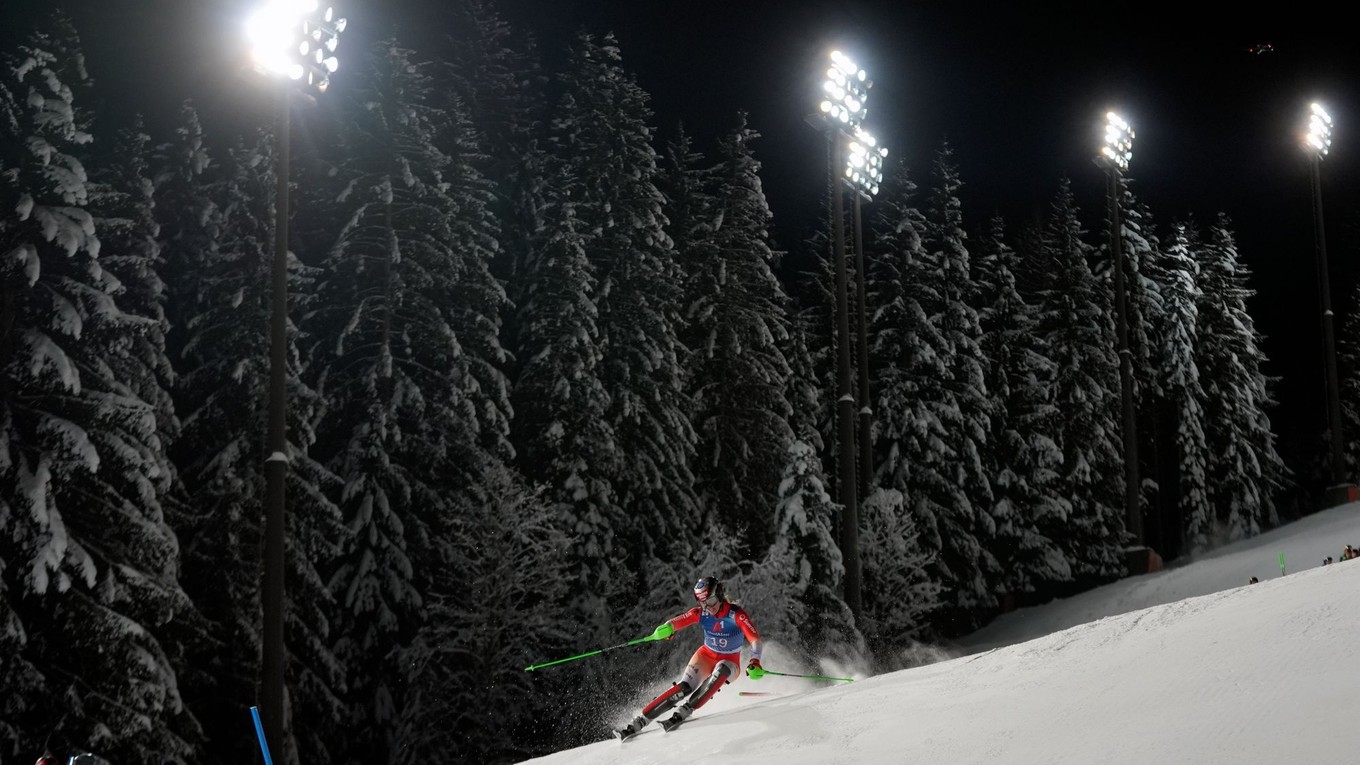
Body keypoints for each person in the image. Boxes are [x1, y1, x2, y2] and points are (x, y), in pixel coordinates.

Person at [616, 576, 763, 739]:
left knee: (721, 669)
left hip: (730, 662)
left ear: (720, 595)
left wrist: (755, 660)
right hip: (706, 655)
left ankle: (686, 709)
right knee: (684, 687)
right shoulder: (701, 613)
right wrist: (666, 629)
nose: (708, 607)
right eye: (703, 603)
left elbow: (755, 639)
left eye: (711, 601)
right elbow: (676, 622)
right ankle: (639, 721)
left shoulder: (736, 614)